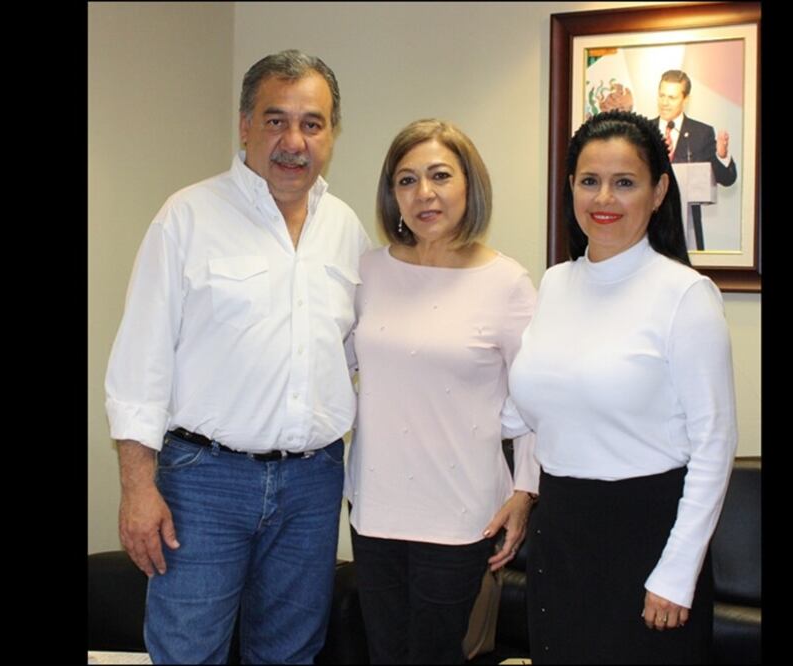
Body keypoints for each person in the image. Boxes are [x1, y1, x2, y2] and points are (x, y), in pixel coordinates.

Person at [104, 49, 370, 664]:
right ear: (245, 124)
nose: (293, 140)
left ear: (331, 134)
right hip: (205, 483)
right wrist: (138, 489)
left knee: (290, 653)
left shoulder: (346, 229)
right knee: (187, 653)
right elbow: (140, 365)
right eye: (276, 120)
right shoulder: (188, 216)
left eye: (312, 122)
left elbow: (361, 358)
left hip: (312, 482)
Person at [507, 109, 737, 663]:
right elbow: (537, 413)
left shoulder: (686, 295)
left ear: (659, 191)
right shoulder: (556, 283)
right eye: (590, 180)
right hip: (561, 536)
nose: (603, 198)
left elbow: (715, 444)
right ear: (571, 187)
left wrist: (678, 571)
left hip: (647, 538)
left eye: (624, 182)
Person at [345, 119, 540, 664]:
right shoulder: (367, 272)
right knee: (384, 653)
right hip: (375, 506)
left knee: (435, 654)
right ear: (392, 195)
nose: (423, 193)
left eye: (439, 176)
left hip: (460, 512)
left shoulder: (507, 283)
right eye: (406, 180)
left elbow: (534, 404)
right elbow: (336, 363)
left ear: (468, 186)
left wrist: (523, 493)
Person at [654, 69, 737, 250]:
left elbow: (727, 179)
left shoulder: (701, 133)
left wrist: (721, 157)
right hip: (648, 227)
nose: (665, 103)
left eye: (672, 97)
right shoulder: (642, 131)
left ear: (685, 100)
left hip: (687, 229)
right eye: (662, 96)